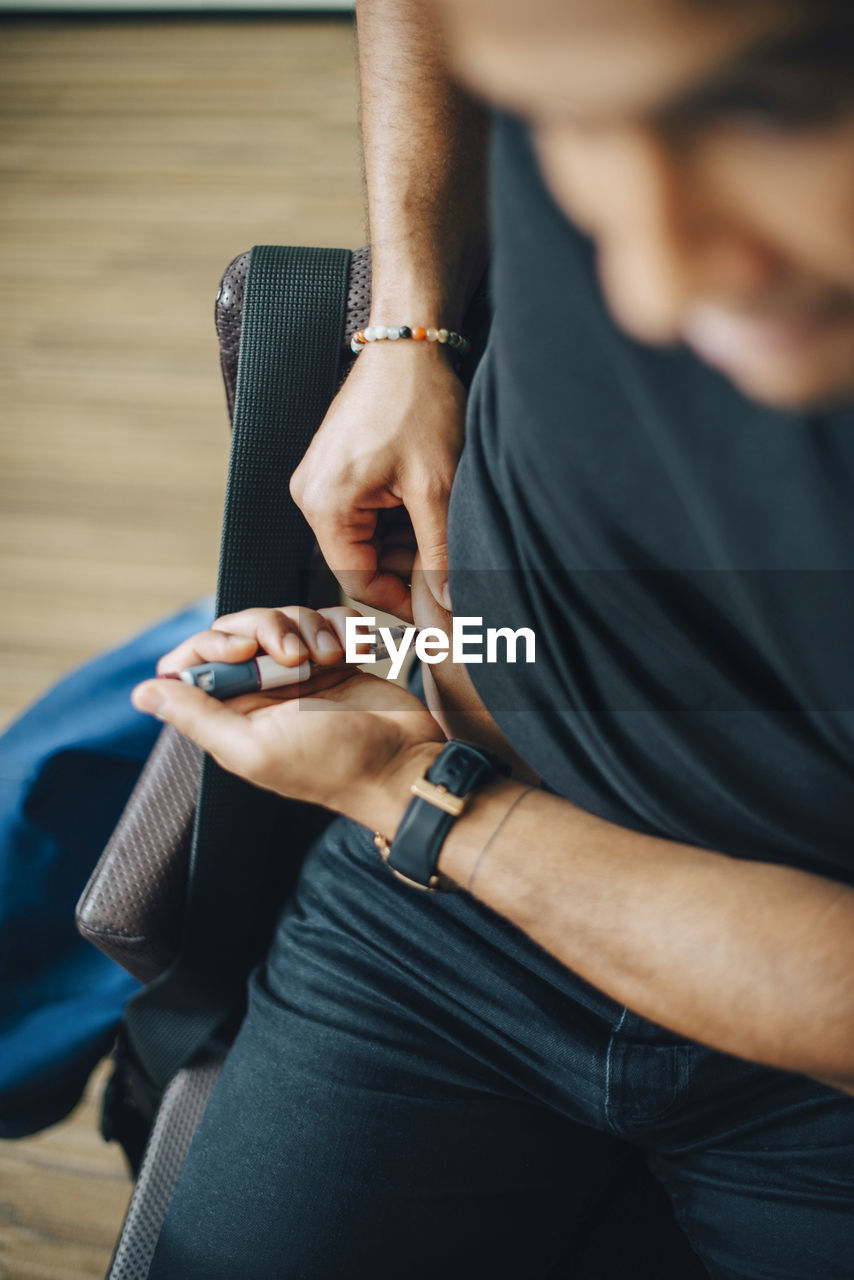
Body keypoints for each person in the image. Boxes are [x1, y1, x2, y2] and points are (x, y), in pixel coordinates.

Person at [131, 0, 854, 1275]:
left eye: (763, 107)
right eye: (558, 118)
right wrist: (409, 323)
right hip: (439, 915)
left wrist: (415, 795)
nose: (645, 279)